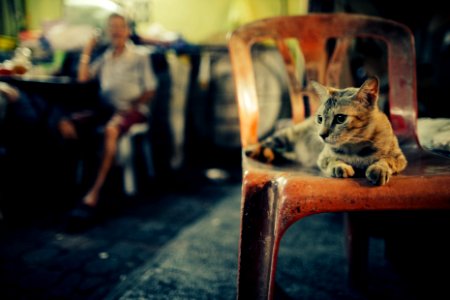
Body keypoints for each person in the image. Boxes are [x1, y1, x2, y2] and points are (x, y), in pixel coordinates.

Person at [65, 12, 157, 222]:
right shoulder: (105, 57)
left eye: (119, 26)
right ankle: (75, 184)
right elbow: (83, 79)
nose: (115, 31)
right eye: (111, 27)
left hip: (133, 110)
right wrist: (88, 50)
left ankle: (96, 192)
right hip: (106, 109)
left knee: (111, 129)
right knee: (69, 123)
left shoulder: (140, 56)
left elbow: (150, 90)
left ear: (128, 30)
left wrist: (130, 106)